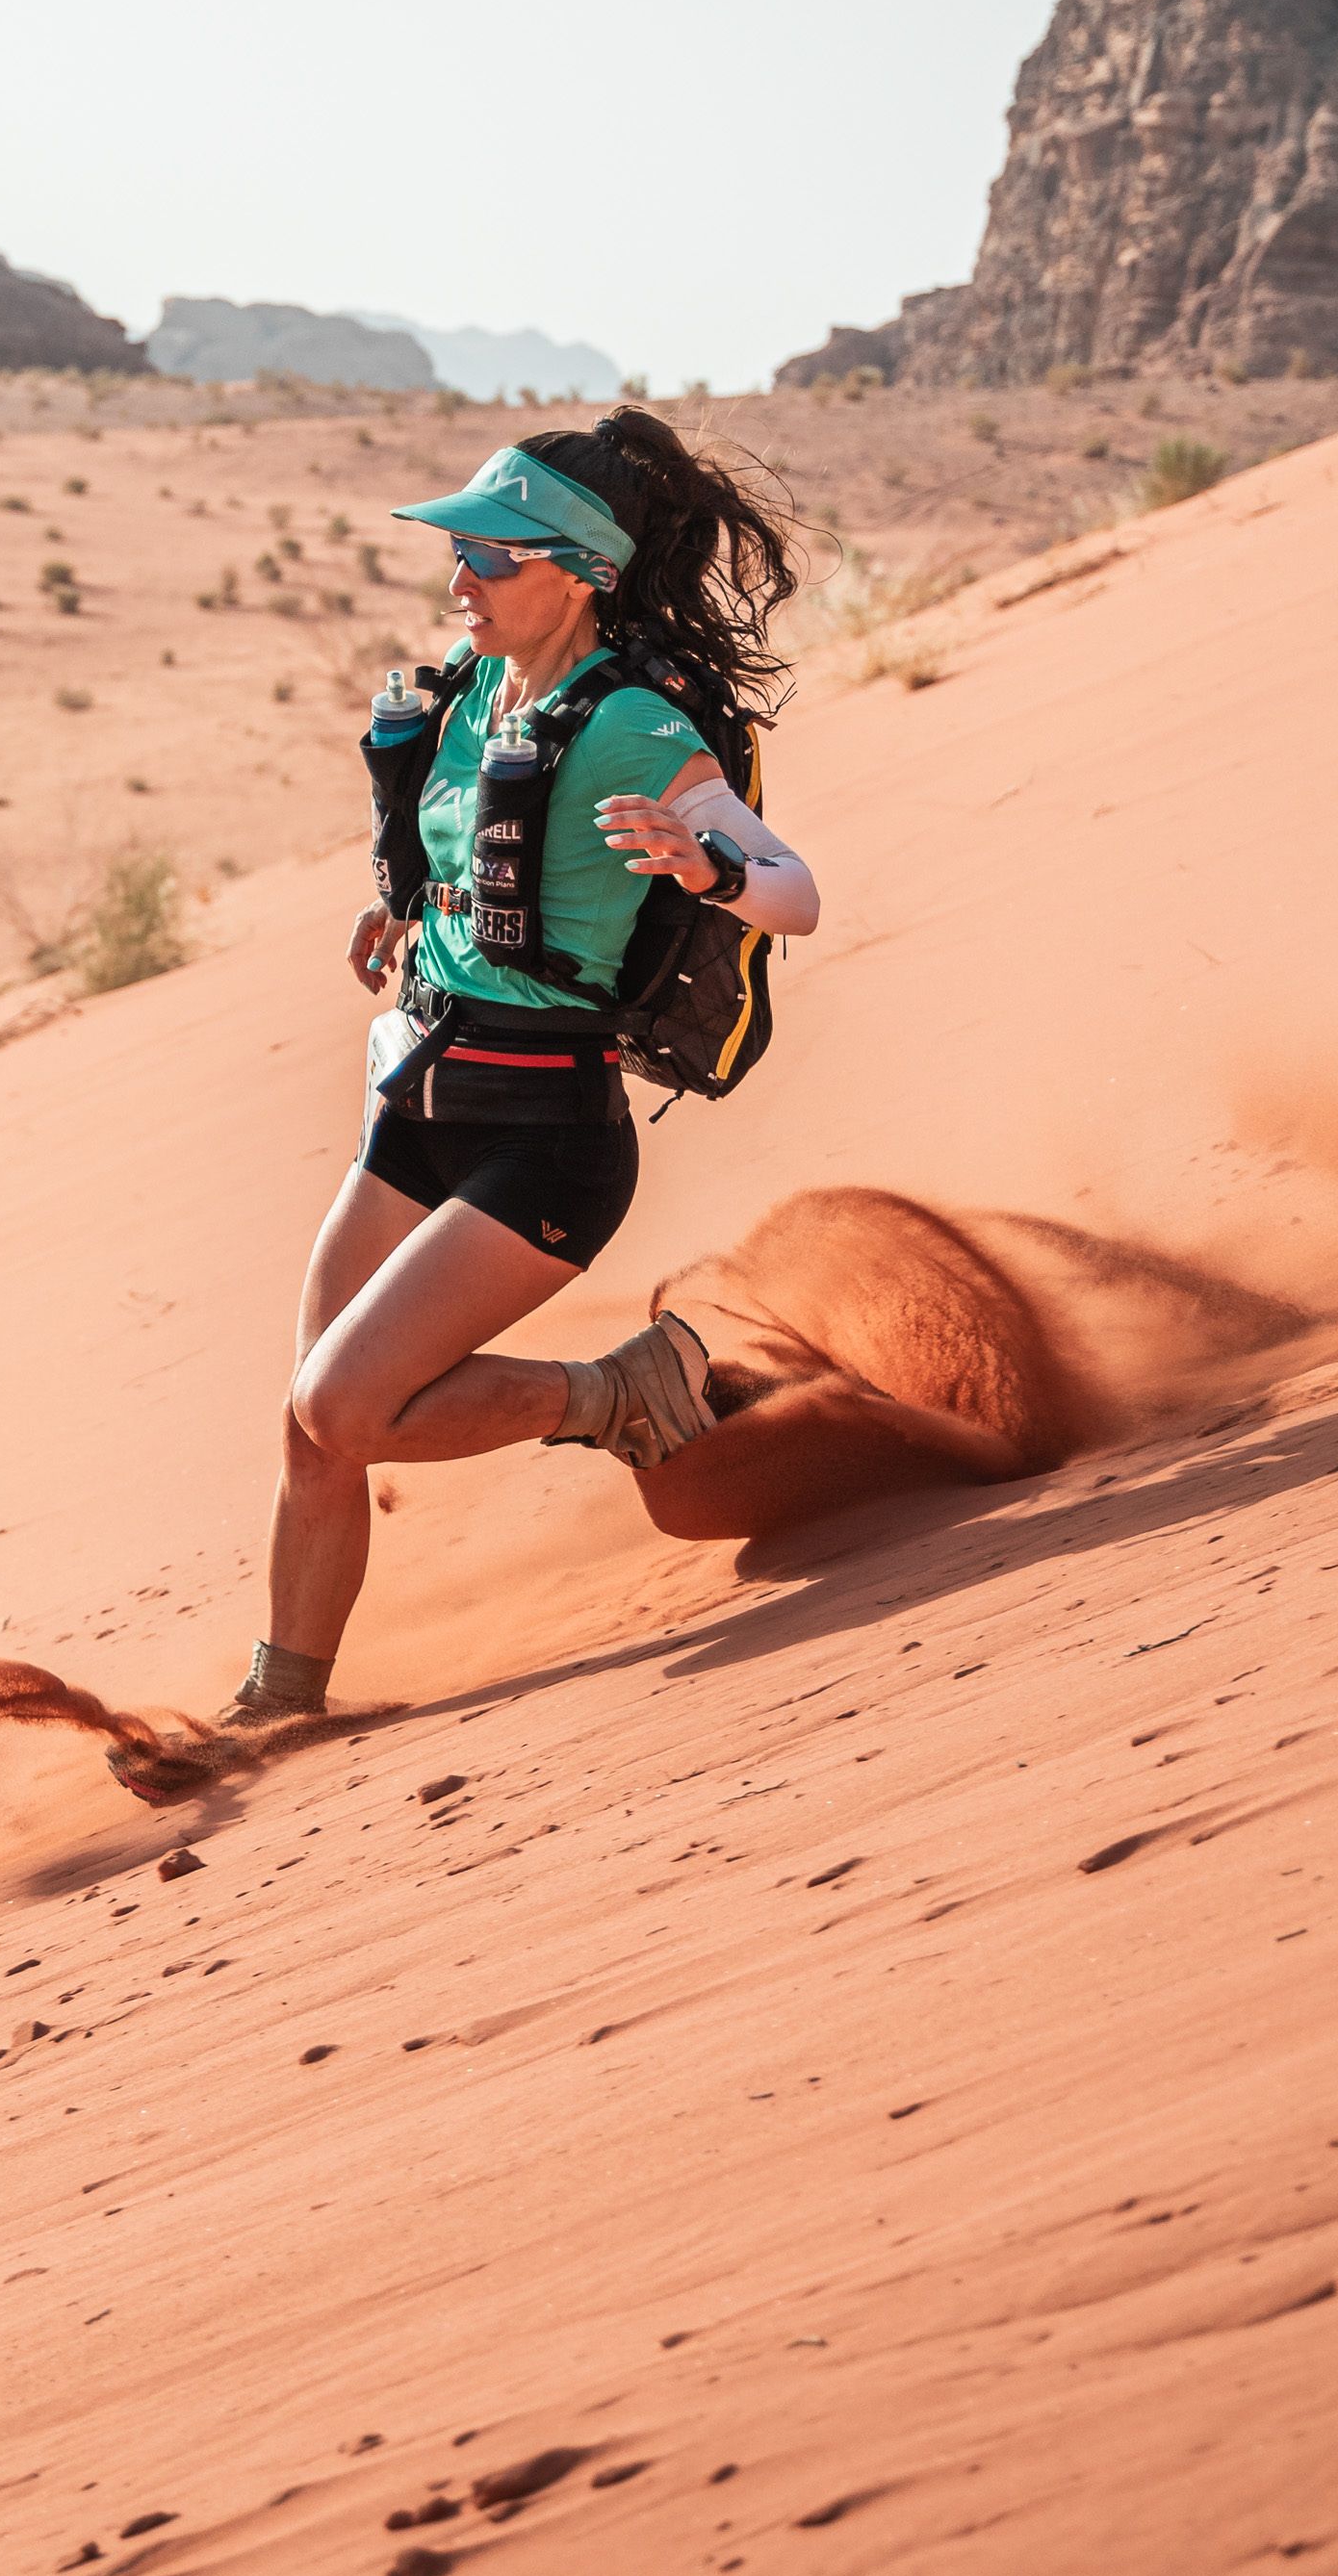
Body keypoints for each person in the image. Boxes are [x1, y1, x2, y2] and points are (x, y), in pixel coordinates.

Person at [114, 408, 822, 1801]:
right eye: (458, 553)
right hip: (418, 1099)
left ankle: (620, 1392)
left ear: (578, 569)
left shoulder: (634, 726)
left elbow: (794, 889)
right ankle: (281, 1694)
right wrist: (399, 920)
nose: (459, 579)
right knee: (307, 1420)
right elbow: (462, 866)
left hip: (546, 1136)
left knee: (347, 1405)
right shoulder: (469, 695)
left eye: (487, 555)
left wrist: (702, 863)